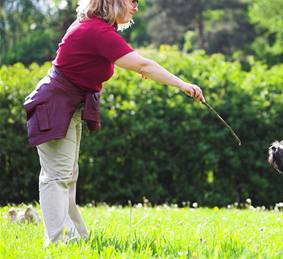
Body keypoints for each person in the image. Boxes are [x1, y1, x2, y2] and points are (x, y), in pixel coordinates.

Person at [23, 0, 206, 246]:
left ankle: (74, 237)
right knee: (57, 176)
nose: (136, 7)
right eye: (132, 1)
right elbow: (143, 65)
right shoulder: (95, 30)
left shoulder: (100, 28)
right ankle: (56, 243)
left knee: (67, 174)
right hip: (55, 105)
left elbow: (134, 64)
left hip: (68, 105)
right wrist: (183, 84)